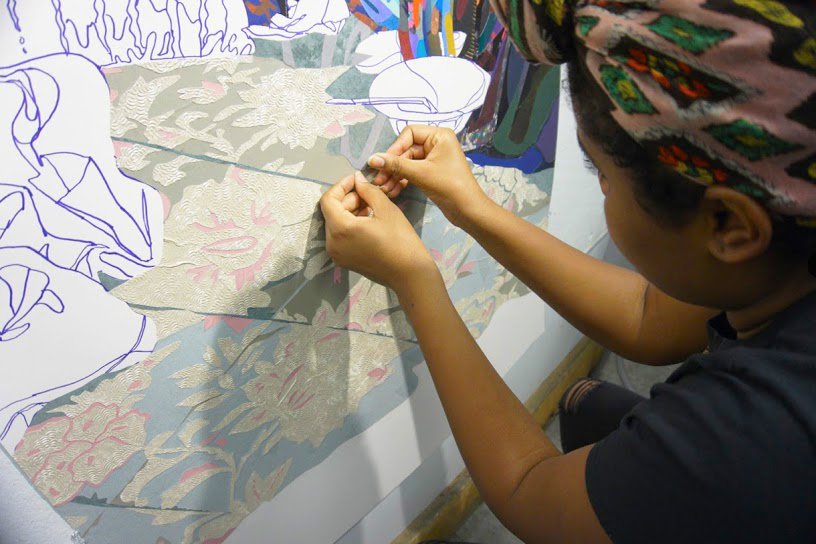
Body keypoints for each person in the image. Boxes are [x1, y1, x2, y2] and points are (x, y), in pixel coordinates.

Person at [319, 0, 816, 542]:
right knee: (588, 404)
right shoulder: (794, 225)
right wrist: (472, 207)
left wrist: (416, 277)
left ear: (729, 225)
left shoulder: (754, 437)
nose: (600, 188)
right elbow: (648, 317)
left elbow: (532, 491)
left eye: (600, 172)